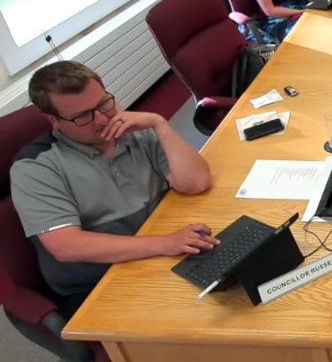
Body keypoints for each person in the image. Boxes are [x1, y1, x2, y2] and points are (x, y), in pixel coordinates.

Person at [10, 61, 217, 318]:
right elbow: (66, 246)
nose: (101, 120)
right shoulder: (35, 167)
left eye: (103, 104)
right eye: (83, 116)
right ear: (53, 120)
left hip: (158, 249)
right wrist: (164, 243)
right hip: (100, 280)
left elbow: (195, 183)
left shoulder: (132, 128)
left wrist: (159, 124)